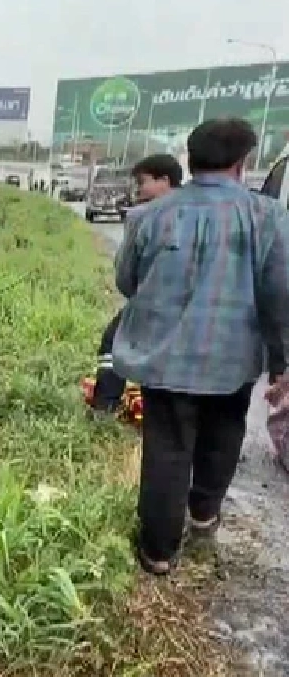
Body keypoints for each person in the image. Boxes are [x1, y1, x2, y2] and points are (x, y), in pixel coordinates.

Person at [114, 118, 289, 575]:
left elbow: (127, 281)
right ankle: (204, 515)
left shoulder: (148, 216)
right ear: (242, 162)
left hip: (163, 357)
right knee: (223, 437)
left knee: (166, 450)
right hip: (232, 361)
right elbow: (279, 298)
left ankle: (157, 554)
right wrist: (281, 363)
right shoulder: (268, 217)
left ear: (190, 160)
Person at [91, 153, 184, 413]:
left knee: (114, 341)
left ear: (164, 180)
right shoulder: (212, 210)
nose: (139, 189)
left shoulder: (144, 215)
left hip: (155, 300)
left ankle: (104, 406)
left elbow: (125, 277)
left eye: (143, 182)